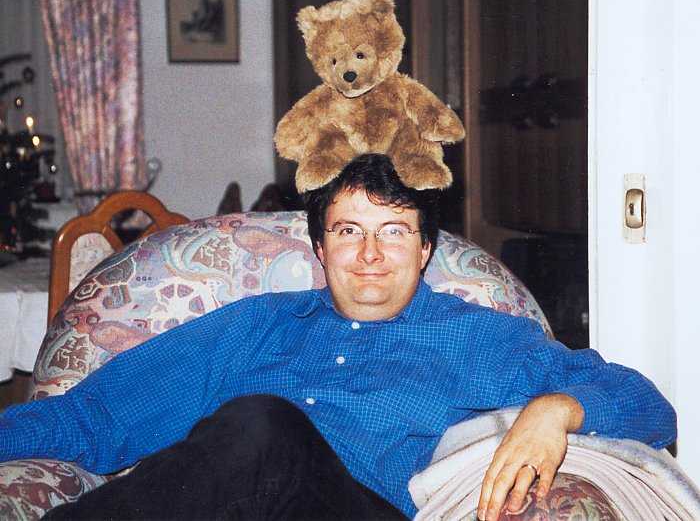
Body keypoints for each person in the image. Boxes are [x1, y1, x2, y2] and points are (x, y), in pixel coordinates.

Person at [0, 154, 676, 521]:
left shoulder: (475, 337)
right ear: (320, 249)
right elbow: (91, 418)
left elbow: (649, 406)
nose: (371, 255)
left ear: (425, 251)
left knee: (263, 425)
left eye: (394, 233)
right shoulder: (254, 326)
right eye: (349, 231)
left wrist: (555, 410)